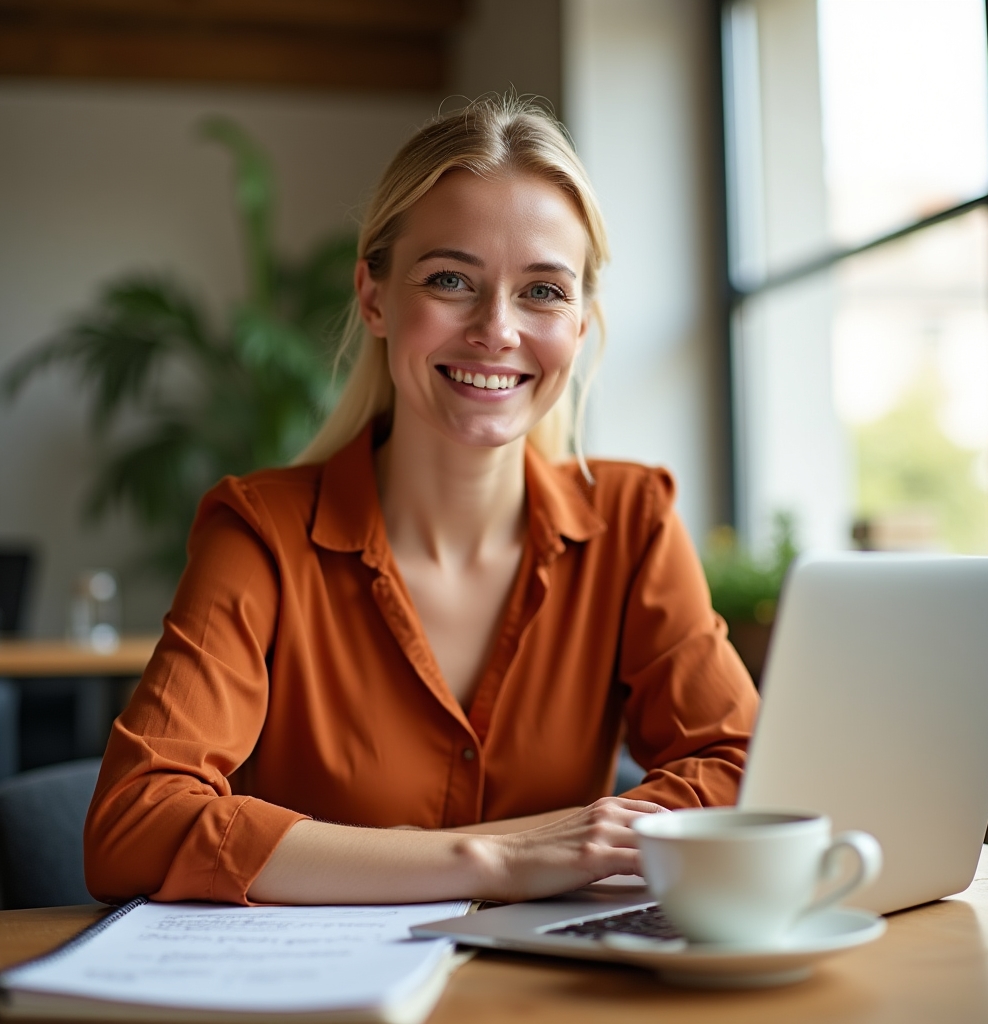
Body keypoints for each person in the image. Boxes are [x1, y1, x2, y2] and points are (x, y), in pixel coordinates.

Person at [84, 96, 758, 907]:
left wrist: (556, 845)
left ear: (581, 325)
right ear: (373, 298)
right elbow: (134, 825)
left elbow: (743, 771)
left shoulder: (633, 522)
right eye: (450, 280)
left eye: (543, 291)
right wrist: (497, 859)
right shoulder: (260, 535)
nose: (497, 329)